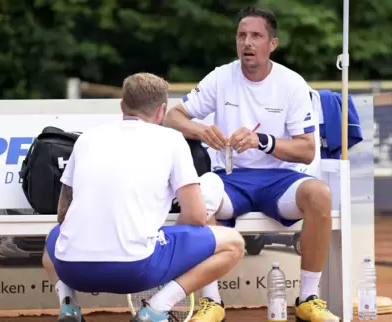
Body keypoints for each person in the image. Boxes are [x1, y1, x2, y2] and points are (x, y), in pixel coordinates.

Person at [164, 6, 339, 322]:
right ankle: (211, 302)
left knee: (320, 194)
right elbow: (172, 116)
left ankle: (308, 298)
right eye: (242, 35)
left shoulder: (292, 83)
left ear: (272, 43)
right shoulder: (221, 77)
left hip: (280, 179)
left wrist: (264, 141)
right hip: (230, 178)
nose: (247, 42)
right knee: (199, 196)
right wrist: (202, 130)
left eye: (256, 36)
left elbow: (307, 150)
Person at [42, 73, 245, 322]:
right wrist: (174, 246)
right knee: (233, 243)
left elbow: (63, 215)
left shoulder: (87, 138)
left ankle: (68, 307)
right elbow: (196, 216)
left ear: (121, 106)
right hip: (135, 269)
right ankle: (156, 310)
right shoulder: (171, 139)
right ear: (161, 111)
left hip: (71, 269)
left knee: (52, 239)